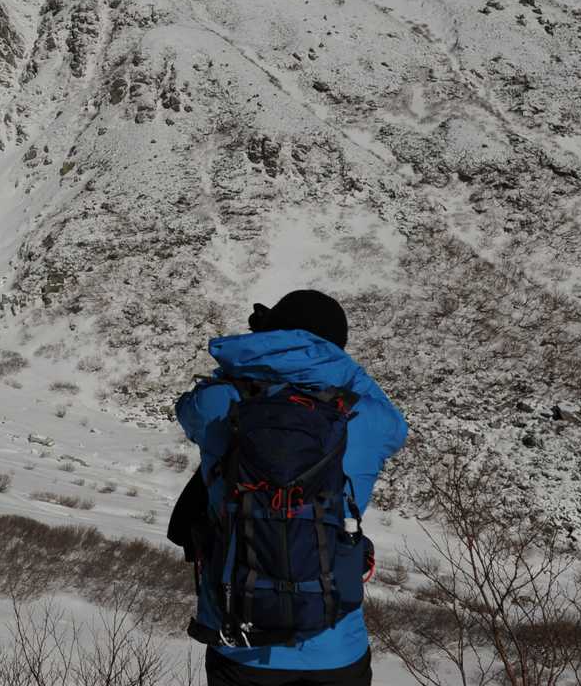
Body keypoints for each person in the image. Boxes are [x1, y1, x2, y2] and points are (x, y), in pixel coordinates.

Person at [172, 290, 407, 686]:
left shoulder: (219, 403)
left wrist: (255, 357)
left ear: (272, 333)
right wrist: (341, 366)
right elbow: (397, 426)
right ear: (338, 347)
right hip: (336, 648)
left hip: (239, 643)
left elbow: (186, 407)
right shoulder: (366, 416)